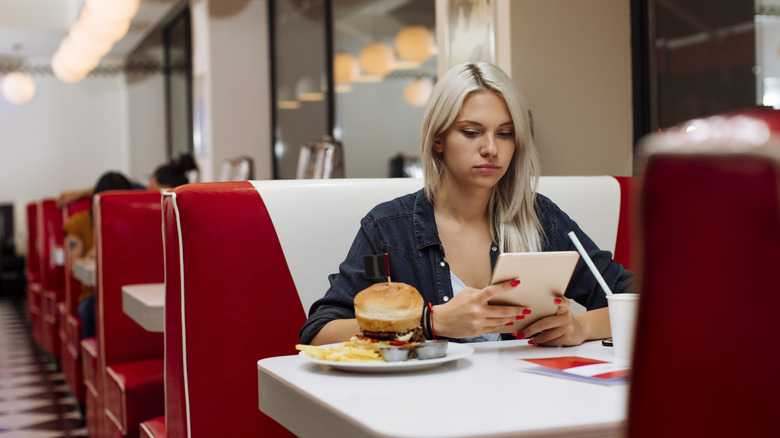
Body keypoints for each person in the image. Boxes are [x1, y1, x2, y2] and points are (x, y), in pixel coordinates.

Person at [300, 62, 636, 347]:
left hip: (527, 408)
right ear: (438, 140)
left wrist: (580, 327)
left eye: (505, 133)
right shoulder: (389, 229)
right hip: (422, 412)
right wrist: (430, 322)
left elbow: (638, 300)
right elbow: (319, 333)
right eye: (472, 132)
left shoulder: (539, 218)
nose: (491, 148)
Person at [63, 171, 133, 339]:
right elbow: (74, 266)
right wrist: (100, 246)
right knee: (92, 308)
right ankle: (92, 361)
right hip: (93, 294)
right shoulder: (77, 223)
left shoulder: (133, 224)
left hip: (128, 292)